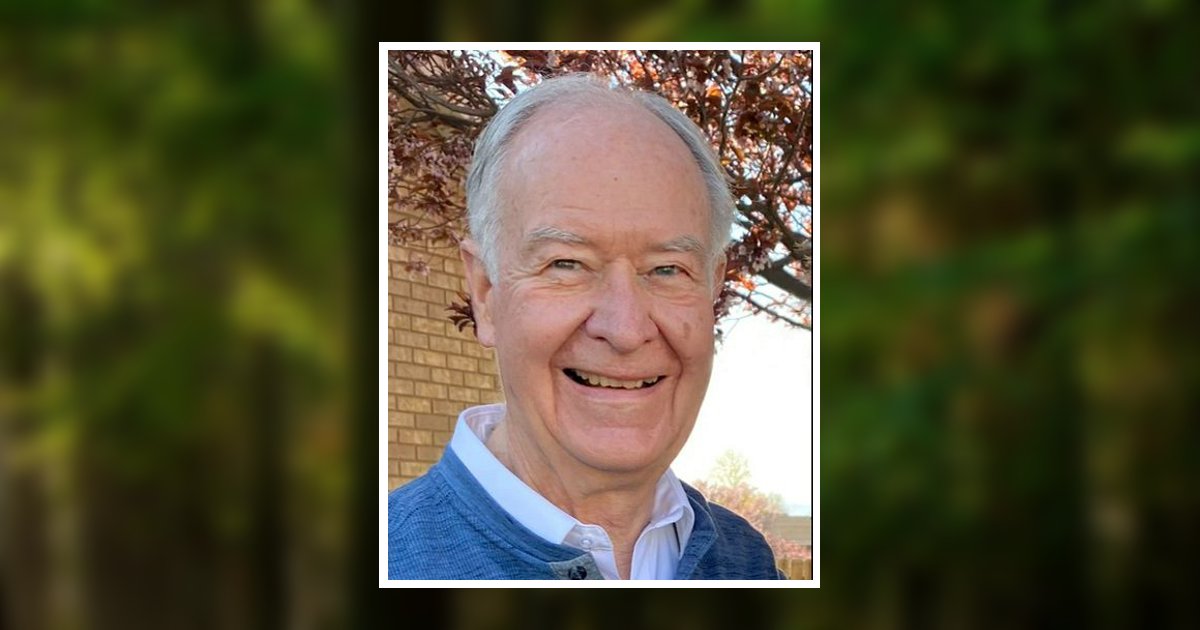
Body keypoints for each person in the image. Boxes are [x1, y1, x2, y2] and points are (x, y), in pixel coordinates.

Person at [388, 73, 783, 580]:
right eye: (567, 264)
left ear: (712, 287)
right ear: (485, 294)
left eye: (667, 269)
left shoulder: (747, 563)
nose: (625, 329)